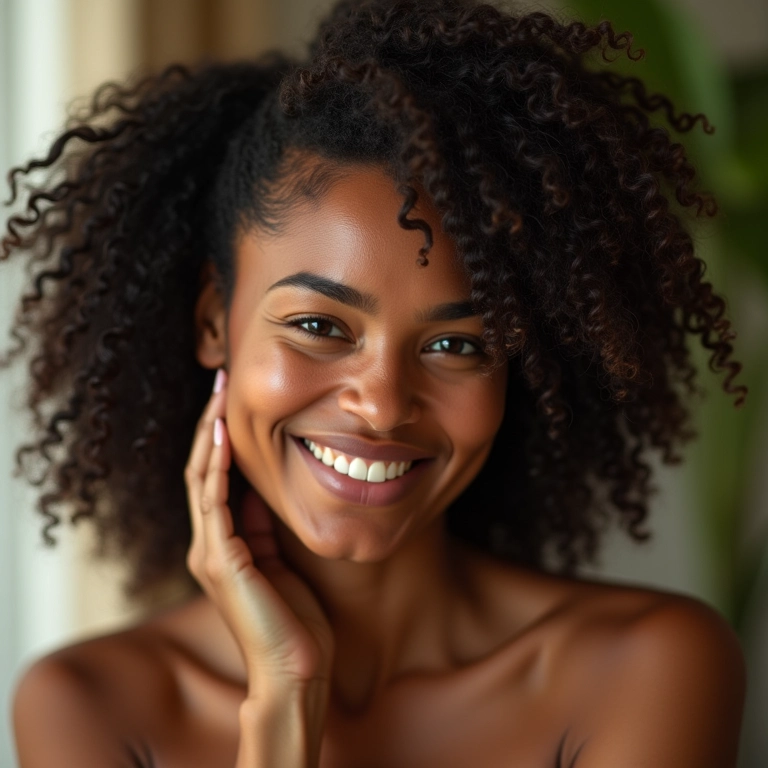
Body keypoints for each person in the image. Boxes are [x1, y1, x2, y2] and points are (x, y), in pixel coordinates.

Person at [1, 0, 748, 765]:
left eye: (457, 344)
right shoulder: (90, 707)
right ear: (215, 320)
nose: (384, 404)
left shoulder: (643, 668)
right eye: (320, 328)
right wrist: (285, 704)